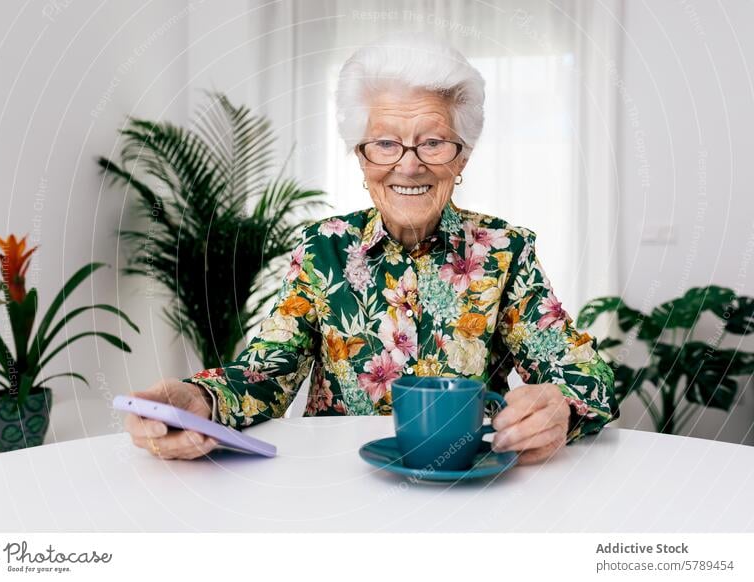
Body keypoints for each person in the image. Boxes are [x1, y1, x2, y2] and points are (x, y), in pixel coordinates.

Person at [124, 32, 620, 465]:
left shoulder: (504, 251)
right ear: (360, 156)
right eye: (384, 143)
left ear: (462, 154)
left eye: (433, 142)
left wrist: (559, 406)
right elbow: (268, 372)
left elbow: (584, 376)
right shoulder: (324, 247)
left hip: (463, 484)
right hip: (340, 483)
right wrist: (200, 400)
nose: (408, 166)